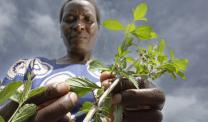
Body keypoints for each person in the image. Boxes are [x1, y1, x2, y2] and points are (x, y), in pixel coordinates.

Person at [0, 0, 165, 122]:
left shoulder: (115, 77)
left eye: (88, 20)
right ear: (60, 28)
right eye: (70, 19)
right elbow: (4, 109)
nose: (79, 25)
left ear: (98, 30)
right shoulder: (30, 67)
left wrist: (141, 106)